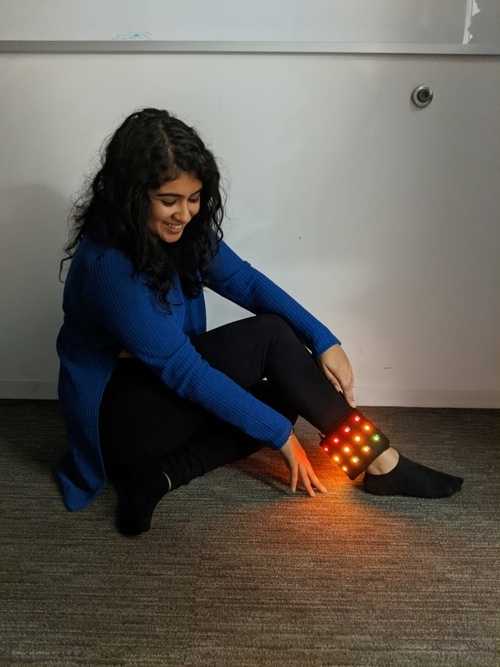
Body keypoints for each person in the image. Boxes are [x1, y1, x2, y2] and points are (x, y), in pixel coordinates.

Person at [57, 108, 463, 536]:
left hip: (161, 408)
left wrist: (323, 340)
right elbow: (183, 370)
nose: (185, 213)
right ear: (131, 194)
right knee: (271, 347)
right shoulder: (108, 266)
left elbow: (244, 282)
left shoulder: (182, 233)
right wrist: (279, 436)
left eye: (194, 198)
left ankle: (158, 477)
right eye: (169, 200)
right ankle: (378, 462)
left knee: (288, 395)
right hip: (120, 420)